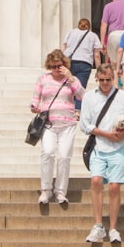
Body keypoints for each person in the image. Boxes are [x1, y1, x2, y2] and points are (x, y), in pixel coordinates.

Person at [80, 63, 124, 244]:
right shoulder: (89, 97)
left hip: (120, 148)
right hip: (99, 145)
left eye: (108, 79)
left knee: (115, 187)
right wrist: (105, 133)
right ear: (96, 79)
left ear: (113, 78)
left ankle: (113, 228)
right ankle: (98, 225)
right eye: (102, 80)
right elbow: (85, 125)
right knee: (96, 181)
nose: (106, 83)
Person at [31, 49, 85, 205]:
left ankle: (60, 191)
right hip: (48, 124)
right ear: (49, 66)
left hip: (67, 124)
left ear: (65, 65)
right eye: (54, 66)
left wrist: (71, 78)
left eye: (59, 66)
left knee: (64, 157)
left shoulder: (71, 80)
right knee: (47, 153)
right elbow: (35, 98)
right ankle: (46, 190)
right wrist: (34, 106)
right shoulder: (43, 79)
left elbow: (82, 95)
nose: (57, 69)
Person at [62, 18, 101, 110]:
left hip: (69, 61)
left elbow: (64, 47)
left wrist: (62, 61)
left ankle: (67, 107)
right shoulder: (93, 35)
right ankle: (77, 111)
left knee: (68, 86)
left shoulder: (71, 32)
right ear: (89, 26)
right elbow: (97, 55)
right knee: (80, 87)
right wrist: (99, 70)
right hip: (85, 62)